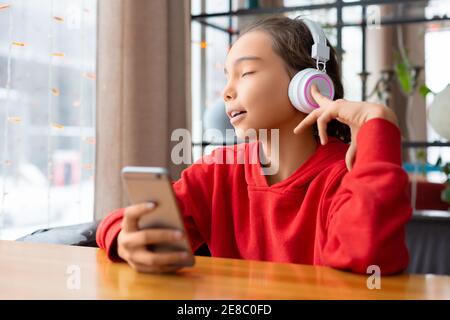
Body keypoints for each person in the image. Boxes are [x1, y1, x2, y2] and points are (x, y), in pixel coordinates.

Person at [96, 16, 411, 275]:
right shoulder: (218, 171)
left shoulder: (347, 177)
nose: (227, 93)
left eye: (245, 73)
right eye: (226, 78)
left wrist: (377, 123)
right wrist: (123, 237)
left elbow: (368, 257)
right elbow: (121, 221)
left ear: (308, 84)